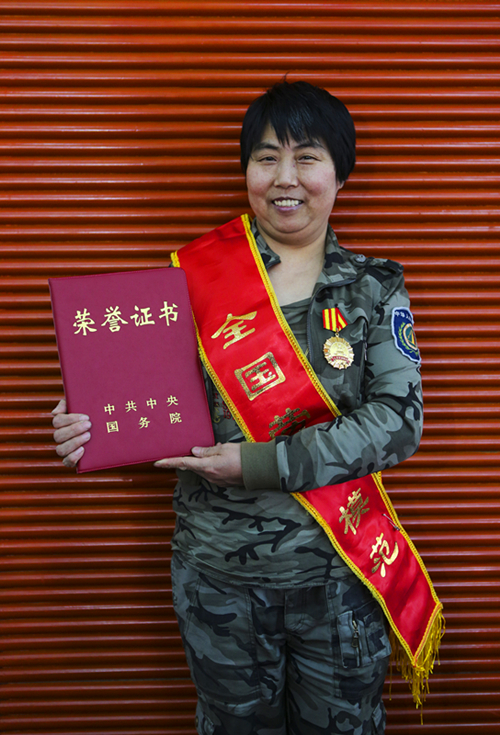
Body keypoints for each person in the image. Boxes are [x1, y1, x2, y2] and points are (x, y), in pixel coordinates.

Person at [53, 81, 427, 735]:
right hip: (218, 576)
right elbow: (148, 404)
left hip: (339, 574)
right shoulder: (190, 283)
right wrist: (91, 419)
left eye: (306, 157)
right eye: (266, 157)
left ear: (340, 172)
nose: (285, 178)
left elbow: (398, 420)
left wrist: (260, 463)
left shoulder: (374, 285)